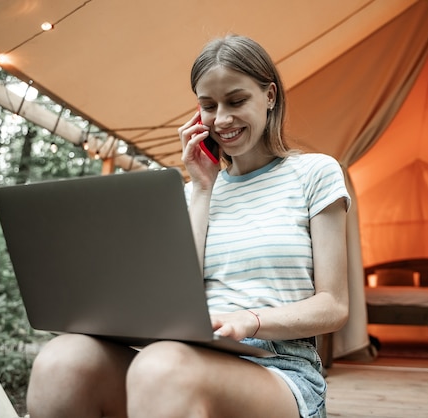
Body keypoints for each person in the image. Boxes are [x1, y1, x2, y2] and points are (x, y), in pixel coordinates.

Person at [26, 34, 350, 418]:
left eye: (236, 100)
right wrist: (201, 187)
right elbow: (175, 297)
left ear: (270, 96)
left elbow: (334, 305)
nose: (222, 119)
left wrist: (250, 319)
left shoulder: (314, 172)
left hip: (280, 365)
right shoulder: (191, 192)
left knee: (162, 366)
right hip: (187, 352)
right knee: (63, 359)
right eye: (208, 105)